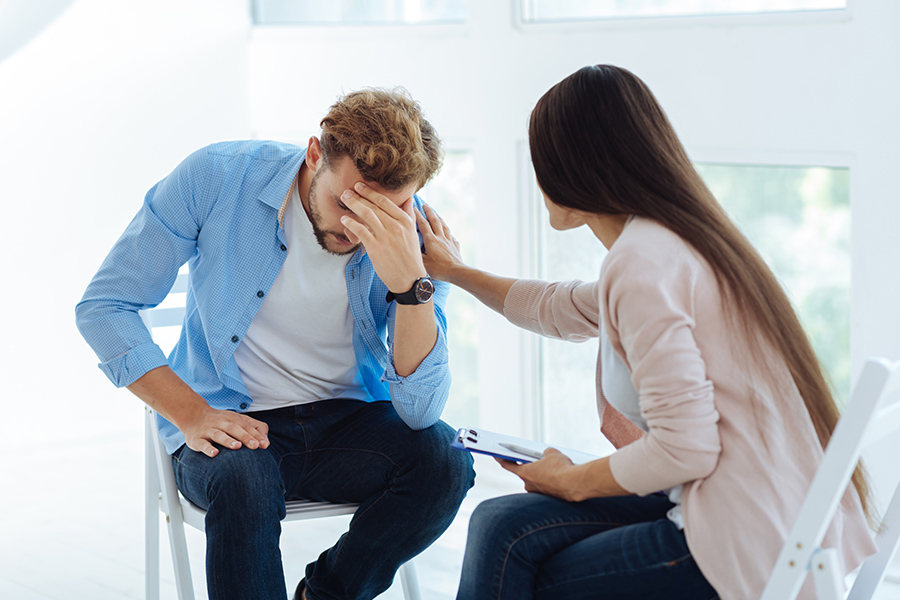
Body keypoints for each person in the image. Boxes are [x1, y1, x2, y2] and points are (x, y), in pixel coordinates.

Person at [415, 65, 876, 599]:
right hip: (753, 502)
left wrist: (570, 479)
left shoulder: (643, 265)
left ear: (574, 167)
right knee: (499, 525)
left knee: (528, 573)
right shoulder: (672, 240)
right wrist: (453, 272)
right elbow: (559, 306)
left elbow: (688, 450)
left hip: (735, 534)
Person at [76, 87, 475, 600]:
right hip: (226, 419)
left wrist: (411, 286)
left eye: (389, 208)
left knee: (444, 458)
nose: (360, 228)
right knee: (244, 479)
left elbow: (420, 413)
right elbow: (105, 306)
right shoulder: (217, 177)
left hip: (347, 425)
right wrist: (192, 413)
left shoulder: (413, 232)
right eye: (347, 201)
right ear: (315, 154)